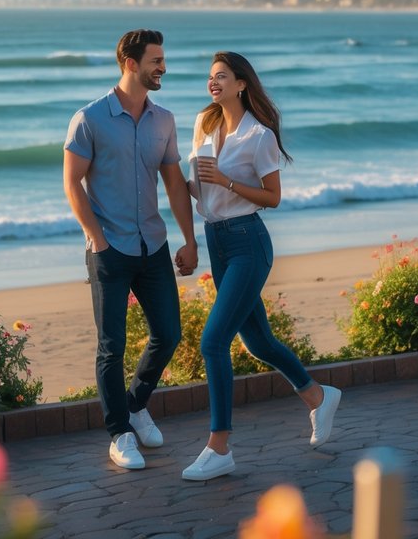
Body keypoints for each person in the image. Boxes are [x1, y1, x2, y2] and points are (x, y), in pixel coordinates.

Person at [181, 51, 340, 482]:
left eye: (222, 76)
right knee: (259, 341)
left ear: (241, 84)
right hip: (218, 241)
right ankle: (318, 396)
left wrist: (227, 181)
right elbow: (199, 192)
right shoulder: (204, 124)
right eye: (210, 76)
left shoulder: (259, 136)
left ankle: (219, 447)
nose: (213, 82)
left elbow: (273, 197)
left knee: (214, 342)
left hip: (248, 242)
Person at [63, 29, 199, 471]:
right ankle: (119, 433)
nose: (163, 67)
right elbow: (72, 182)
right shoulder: (89, 118)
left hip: (153, 244)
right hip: (110, 248)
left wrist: (189, 240)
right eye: (155, 60)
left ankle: (136, 405)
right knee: (111, 345)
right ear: (130, 62)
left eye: (163, 59)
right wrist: (97, 239)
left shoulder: (164, 120)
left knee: (169, 333)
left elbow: (174, 184)